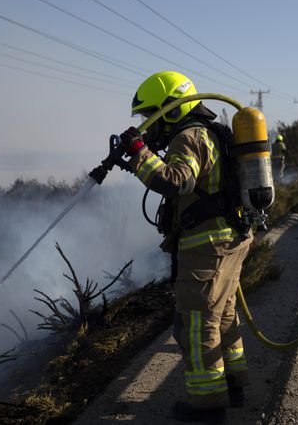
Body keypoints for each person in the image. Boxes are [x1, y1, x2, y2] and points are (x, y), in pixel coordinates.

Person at [119, 71, 252, 424]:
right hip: (232, 238)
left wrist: (138, 154)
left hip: (208, 245)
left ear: (171, 110)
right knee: (224, 315)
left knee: (196, 322)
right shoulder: (211, 132)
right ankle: (234, 385)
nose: (148, 125)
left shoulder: (188, 137)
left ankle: (208, 405)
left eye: (151, 116)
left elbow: (177, 182)